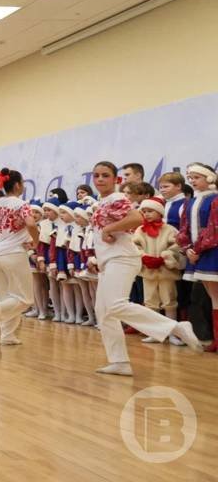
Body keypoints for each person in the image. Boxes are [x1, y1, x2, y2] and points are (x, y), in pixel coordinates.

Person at [90, 161, 201, 376]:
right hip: (108, 260)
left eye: (105, 175)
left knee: (115, 305)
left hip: (122, 258)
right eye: (96, 175)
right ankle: (119, 361)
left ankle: (176, 327)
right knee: (104, 312)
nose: (100, 179)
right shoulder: (102, 201)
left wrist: (108, 229)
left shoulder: (117, 197)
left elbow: (136, 217)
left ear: (115, 179)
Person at [0, 168, 39, 345]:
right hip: (14, 253)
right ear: (18, 185)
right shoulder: (21, 204)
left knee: (6, 295)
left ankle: (7, 335)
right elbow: (31, 223)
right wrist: (35, 242)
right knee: (25, 298)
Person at [177, 162, 218, 351]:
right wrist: (187, 248)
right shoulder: (190, 202)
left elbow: (213, 229)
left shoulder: (215, 200)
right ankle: (215, 339)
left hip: (211, 252)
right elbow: (184, 228)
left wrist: (198, 250)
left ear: (209, 178)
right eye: (190, 178)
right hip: (197, 253)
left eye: (197, 177)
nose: (192, 181)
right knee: (212, 297)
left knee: (215, 296)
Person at [133, 196, 183, 345]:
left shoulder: (169, 229)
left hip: (166, 272)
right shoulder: (140, 230)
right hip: (148, 272)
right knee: (150, 302)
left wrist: (164, 257)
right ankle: (155, 333)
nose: (146, 214)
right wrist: (143, 257)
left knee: (169, 301)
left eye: (150, 211)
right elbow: (134, 246)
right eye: (144, 211)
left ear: (159, 212)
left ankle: (173, 333)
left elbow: (177, 246)